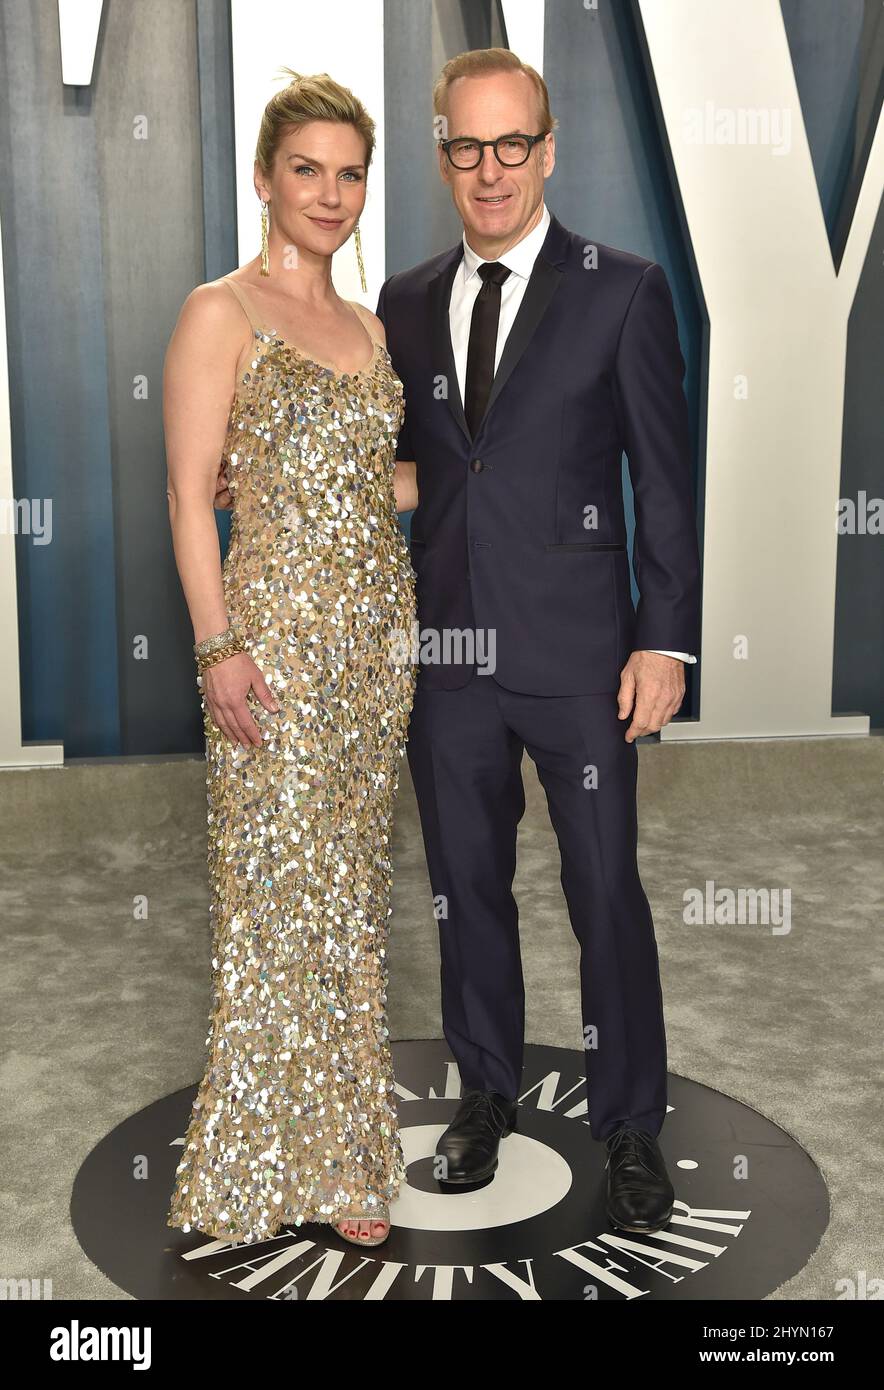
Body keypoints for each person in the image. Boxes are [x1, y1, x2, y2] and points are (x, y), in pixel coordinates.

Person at [374, 49, 701, 1234]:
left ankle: (628, 1123)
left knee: (603, 887)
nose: (490, 169)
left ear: (547, 150)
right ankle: (486, 1096)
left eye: (513, 145)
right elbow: (422, 473)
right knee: (467, 887)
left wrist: (663, 641)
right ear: (442, 154)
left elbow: (662, 483)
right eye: (466, 146)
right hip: (446, 657)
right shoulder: (405, 301)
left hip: (577, 659)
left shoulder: (621, 287)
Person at [164, 69, 417, 1249]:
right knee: (278, 902)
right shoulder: (221, 310)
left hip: (375, 654)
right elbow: (186, 498)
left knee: (350, 903)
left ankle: (345, 1150)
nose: (329, 193)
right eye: (305, 169)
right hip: (270, 651)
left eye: (349, 171)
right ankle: (261, 1157)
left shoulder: (368, 329)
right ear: (264, 179)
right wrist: (218, 648)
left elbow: (375, 487)